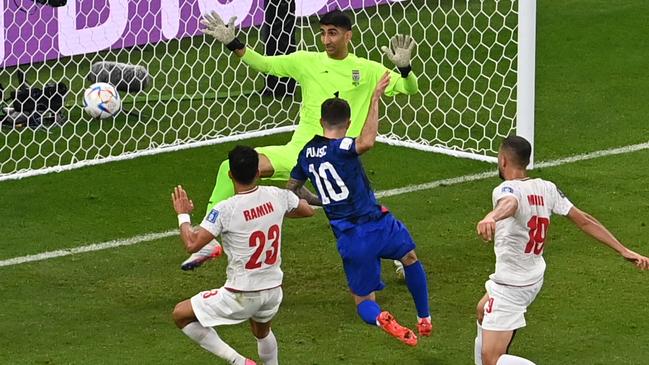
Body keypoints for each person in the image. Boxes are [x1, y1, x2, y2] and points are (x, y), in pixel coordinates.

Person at [181, 9, 418, 271]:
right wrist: (233, 43)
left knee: (357, 217)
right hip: (298, 153)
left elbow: (409, 88)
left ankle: (397, 252)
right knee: (229, 167)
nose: (326, 40)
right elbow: (266, 64)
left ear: (348, 35)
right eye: (323, 33)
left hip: (338, 159)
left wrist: (405, 69)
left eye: (333, 34)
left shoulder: (369, 70)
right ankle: (206, 239)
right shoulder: (306, 61)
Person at [473, 136, 649, 365]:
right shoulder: (547, 188)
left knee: (492, 359)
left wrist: (491, 216)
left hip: (511, 285)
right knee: (483, 310)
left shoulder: (504, 189)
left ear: (503, 160)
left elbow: (511, 203)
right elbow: (584, 220)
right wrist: (623, 249)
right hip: (533, 276)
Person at [286, 73, 432, 346]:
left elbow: (292, 190)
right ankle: (424, 317)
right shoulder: (343, 146)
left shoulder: (306, 152)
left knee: (364, 300)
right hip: (379, 224)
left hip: (350, 237)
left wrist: (322, 201)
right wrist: (375, 98)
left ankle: (380, 319)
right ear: (348, 123)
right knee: (410, 258)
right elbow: (365, 142)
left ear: (321, 122)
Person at [171, 145, 314, 365]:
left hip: (241, 293)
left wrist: (183, 215)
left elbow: (192, 243)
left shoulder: (226, 209)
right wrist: (274, 214)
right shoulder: (278, 196)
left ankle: (238, 361)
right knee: (261, 332)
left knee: (181, 314)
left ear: (230, 175)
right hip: (273, 290)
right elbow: (307, 210)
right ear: (258, 172)